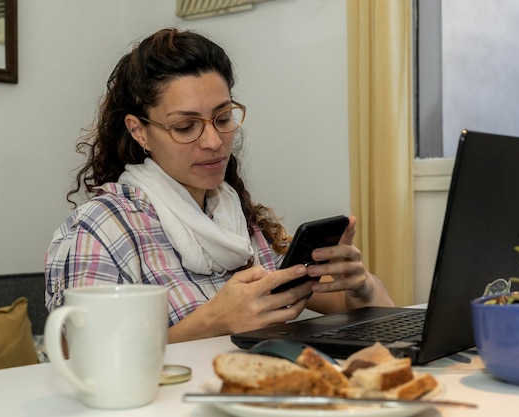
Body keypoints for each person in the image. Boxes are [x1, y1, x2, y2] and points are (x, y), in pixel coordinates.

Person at [45, 27, 393, 344]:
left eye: (223, 118)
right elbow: (80, 361)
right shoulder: (102, 228)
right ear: (139, 131)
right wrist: (212, 322)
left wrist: (361, 287)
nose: (213, 141)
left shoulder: (234, 217)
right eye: (186, 127)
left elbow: (378, 313)